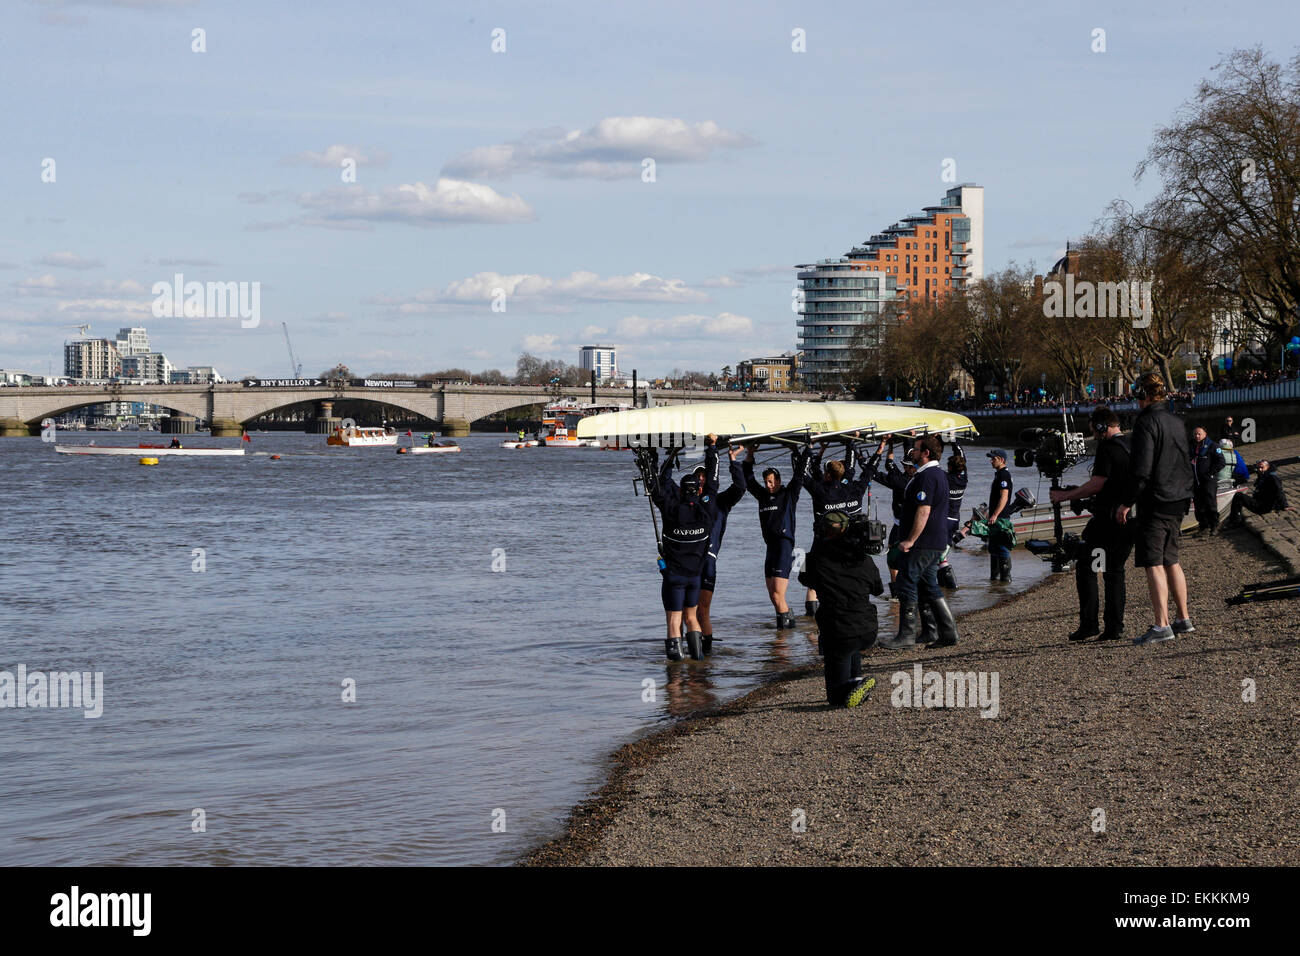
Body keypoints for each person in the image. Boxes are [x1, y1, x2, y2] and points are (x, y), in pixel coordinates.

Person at [1117, 372, 1196, 645]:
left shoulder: (1146, 423)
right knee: (1172, 559)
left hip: (1156, 500)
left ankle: (1162, 625)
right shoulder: (1177, 421)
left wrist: (1126, 502)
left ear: (1144, 395)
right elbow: (1185, 460)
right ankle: (1183, 618)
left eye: (1137, 394)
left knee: (1153, 562)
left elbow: (1141, 470)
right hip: (1179, 499)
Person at [1050, 407, 1132, 642]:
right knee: (1114, 572)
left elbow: (1098, 483)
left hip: (1107, 521)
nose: (1094, 435)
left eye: (1094, 430)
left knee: (1087, 565)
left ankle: (1089, 624)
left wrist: (1065, 496)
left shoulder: (1107, 448)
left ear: (1100, 426)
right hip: (1127, 518)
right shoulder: (1131, 445)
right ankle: (1114, 627)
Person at [880, 434, 957, 649]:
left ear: (925, 452)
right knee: (928, 585)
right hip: (934, 541)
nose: (912, 453)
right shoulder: (937, 474)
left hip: (923, 542)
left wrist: (910, 540)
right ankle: (939, 632)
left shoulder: (927, 477)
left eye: (915, 449)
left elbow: (924, 511)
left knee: (906, 582)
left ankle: (906, 636)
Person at [797, 511, 881, 707]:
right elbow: (878, 589)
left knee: (835, 698)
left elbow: (803, 578)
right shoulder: (863, 558)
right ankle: (856, 683)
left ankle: (846, 692)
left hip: (838, 633)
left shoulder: (815, 560)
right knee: (851, 644)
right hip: (868, 629)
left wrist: (816, 545)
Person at [649, 435, 721, 660]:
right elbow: (713, 482)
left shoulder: (671, 510)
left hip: (674, 577)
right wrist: (712, 448)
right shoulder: (707, 512)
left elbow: (658, 485)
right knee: (691, 617)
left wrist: (670, 456)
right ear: (698, 491)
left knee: (673, 620)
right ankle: (698, 662)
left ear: (682, 492)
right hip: (694, 578)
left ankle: (677, 673)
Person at [798, 437, 873, 615]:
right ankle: (845, 608)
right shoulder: (849, 490)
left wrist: (804, 450)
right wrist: (851, 444)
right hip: (846, 542)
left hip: (821, 542)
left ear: (828, 475)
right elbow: (859, 470)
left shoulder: (821, 490)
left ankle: (811, 619)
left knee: (811, 580)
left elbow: (802, 473)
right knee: (843, 577)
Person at [743, 443, 808, 629]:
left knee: (779, 594)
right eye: (766, 482)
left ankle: (784, 638)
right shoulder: (762, 495)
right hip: (770, 547)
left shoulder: (789, 494)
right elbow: (747, 479)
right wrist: (750, 453)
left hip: (784, 546)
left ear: (779, 480)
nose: (769, 485)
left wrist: (800, 451)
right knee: (773, 595)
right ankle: (785, 629)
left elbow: (800, 474)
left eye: (772, 481)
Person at [694, 445, 747, 653]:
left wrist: (734, 462)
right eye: (697, 479)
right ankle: (693, 652)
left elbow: (741, 487)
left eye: (703, 477)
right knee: (688, 610)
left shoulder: (721, 500)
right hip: (689, 560)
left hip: (708, 560)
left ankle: (706, 653)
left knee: (703, 609)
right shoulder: (690, 503)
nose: (700, 482)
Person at [938, 446, 968, 589]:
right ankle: (945, 588)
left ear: (950, 467)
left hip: (943, 520)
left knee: (939, 556)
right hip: (955, 520)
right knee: (942, 555)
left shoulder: (946, 478)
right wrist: (955, 442)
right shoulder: (963, 479)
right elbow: (963, 459)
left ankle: (951, 587)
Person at [1227, 459, 1290, 524]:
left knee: (1239, 496)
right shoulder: (1264, 474)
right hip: (1261, 502)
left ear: (1267, 467)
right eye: (1258, 468)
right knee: (1240, 496)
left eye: (1262, 467)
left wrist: (1285, 505)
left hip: (1262, 507)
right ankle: (1236, 517)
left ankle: (1235, 521)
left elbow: (1279, 491)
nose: (1260, 469)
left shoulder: (1272, 477)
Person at [986, 449, 1014, 583]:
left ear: (1002, 459)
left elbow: (1004, 496)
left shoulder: (1004, 475)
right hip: (995, 517)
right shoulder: (998, 474)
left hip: (1001, 518)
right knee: (993, 547)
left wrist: (995, 515)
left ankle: (1005, 579)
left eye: (994, 459)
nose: (991, 461)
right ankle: (994, 580)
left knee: (1002, 547)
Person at [1189, 426, 1225, 534]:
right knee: (1198, 505)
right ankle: (1203, 526)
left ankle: (1214, 525)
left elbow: (1221, 462)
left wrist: (1210, 473)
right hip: (1195, 480)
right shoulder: (1191, 446)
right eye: (1195, 434)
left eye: (1199, 434)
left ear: (1205, 434)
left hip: (1208, 480)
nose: (1197, 436)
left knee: (1210, 503)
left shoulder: (1213, 446)